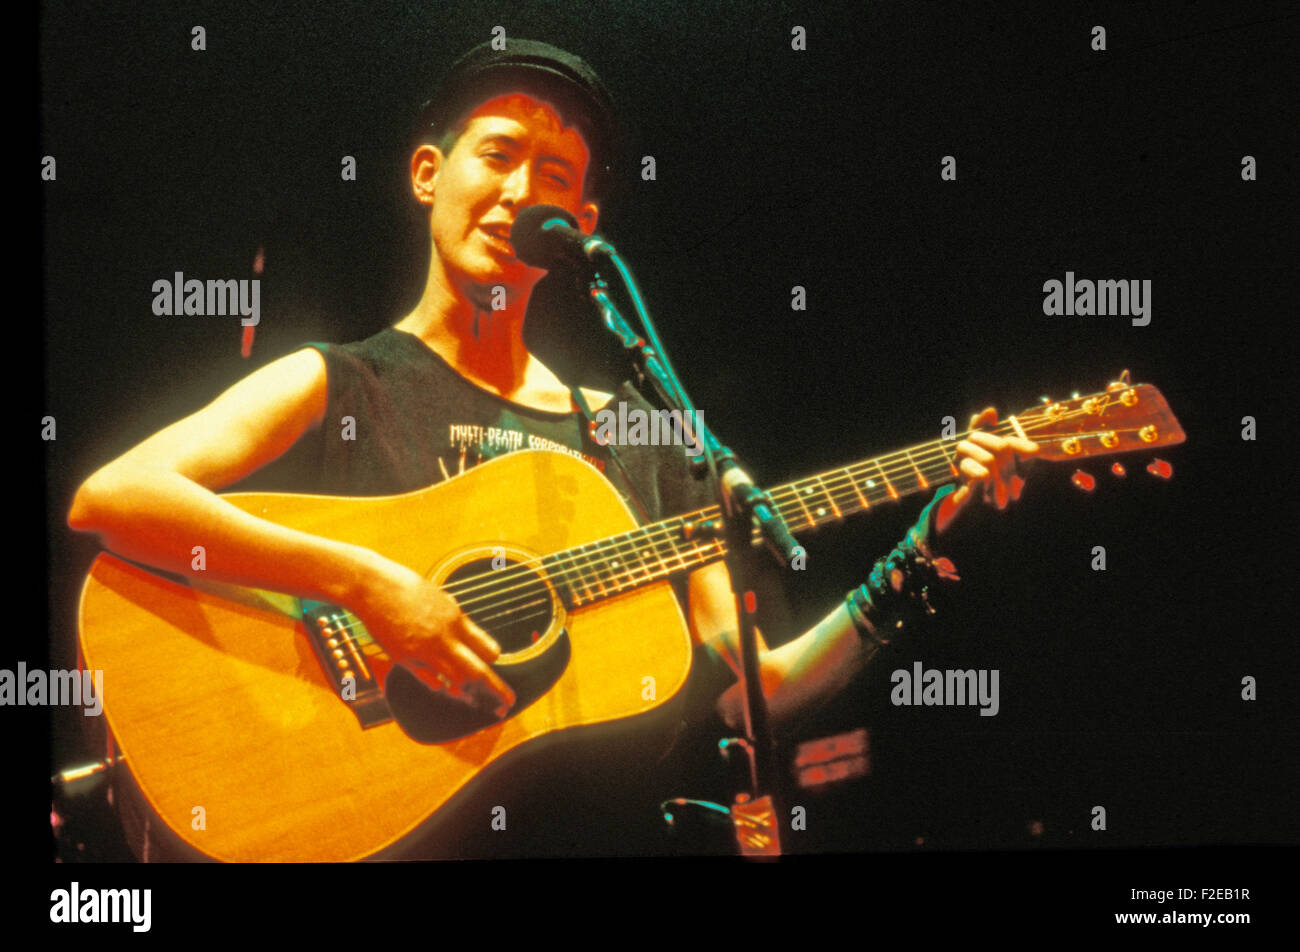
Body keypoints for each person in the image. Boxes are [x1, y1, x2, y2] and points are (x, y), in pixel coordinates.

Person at [67, 39, 1038, 856]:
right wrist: (370, 586)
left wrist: (924, 549)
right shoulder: (339, 380)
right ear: (425, 174)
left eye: (556, 177)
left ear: (581, 225)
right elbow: (115, 495)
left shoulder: (632, 427)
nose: (519, 191)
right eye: (496, 153)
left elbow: (757, 700)